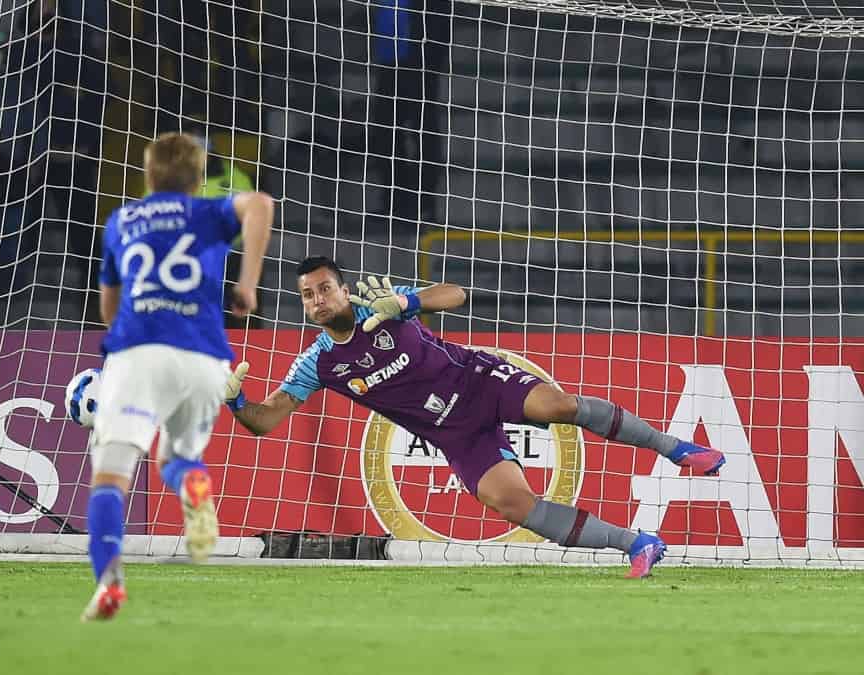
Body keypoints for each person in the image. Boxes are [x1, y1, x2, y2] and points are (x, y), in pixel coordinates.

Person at [223, 256, 727, 579]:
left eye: (325, 289)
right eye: (308, 295)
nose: (318, 300)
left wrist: (405, 301)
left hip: (479, 382)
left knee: (559, 406)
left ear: (342, 288)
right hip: (456, 435)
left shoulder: (381, 307)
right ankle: (636, 543)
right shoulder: (317, 362)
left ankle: (679, 449)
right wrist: (236, 402)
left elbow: (454, 294)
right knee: (513, 505)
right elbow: (267, 420)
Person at [82, 132, 273, 620]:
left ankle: (109, 584)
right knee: (177, 457)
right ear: (198, 178)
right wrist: (248, 285)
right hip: (205, 359)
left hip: (140, 350)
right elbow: (260, 204)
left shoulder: (122, 220)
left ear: (148, 176)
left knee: (111, 474)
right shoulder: (209, 211)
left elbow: (109, 310)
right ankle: (194, 483)